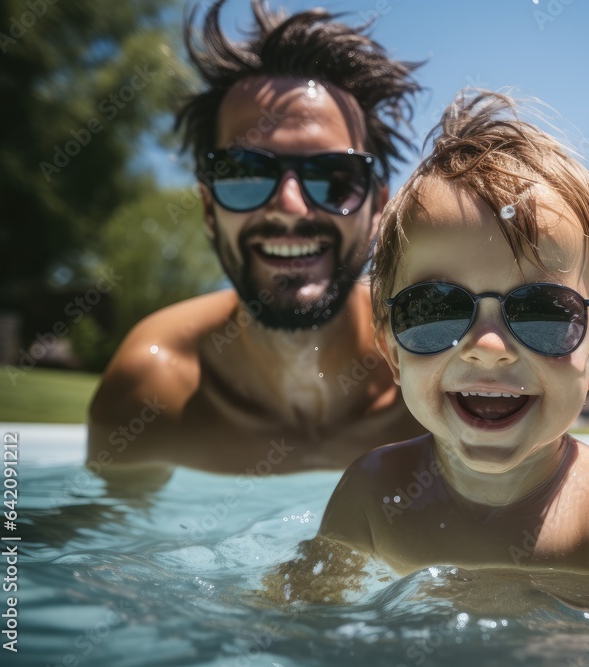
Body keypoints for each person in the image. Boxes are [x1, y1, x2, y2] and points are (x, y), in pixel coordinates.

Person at [296, 90, 589, 610]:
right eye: (435, 311)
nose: (487, 348)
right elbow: (302, 626)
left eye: (543, 313)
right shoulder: (373, 495)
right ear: (393, 353)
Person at [87, 0, 426, 475]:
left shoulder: (438, 379)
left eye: (333, 177)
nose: (289, 207)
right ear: (209, 208)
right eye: (245, 173)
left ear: (377, 209)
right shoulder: (150, 390)